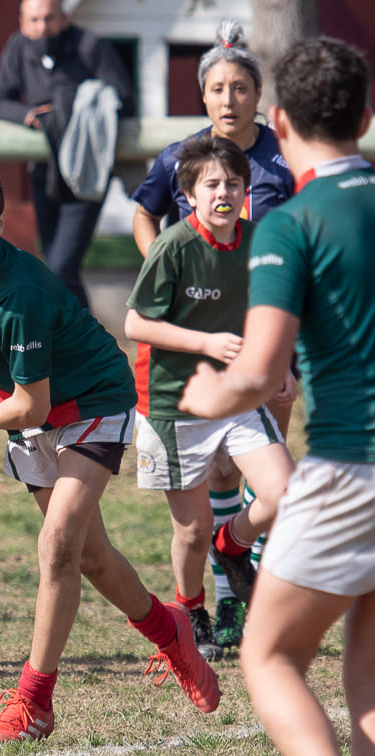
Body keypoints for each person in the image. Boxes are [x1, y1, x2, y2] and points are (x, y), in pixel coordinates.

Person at [0, 156, 219, 744]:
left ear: (0, 223)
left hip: (91, 399)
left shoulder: (19, 293)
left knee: (58, 544)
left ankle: (34, 704)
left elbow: (31, 408)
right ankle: (171, 633)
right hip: (24, 406)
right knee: (90, 556)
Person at [180, 37, 375, 756]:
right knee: (368, 674)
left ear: (281, 120)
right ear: (365, 117)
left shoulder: (292, 223)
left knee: (269, 657)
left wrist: (209, 393)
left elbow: (260, 374)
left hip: (353, 467)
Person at [130, 19, 296, 652]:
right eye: (218, 88)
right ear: (203, 95)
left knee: (270, 482)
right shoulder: (180, 166)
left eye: (241, 87)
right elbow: (144, 216)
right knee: (200, 514)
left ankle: (247, 584)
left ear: (259, 94)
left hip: (262, 338)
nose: (229, 99)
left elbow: (296, 250)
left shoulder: (283, 157)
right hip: (185, 372)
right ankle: (211, 604)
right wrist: (167, 275)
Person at [0, 0, 134, 309]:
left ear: (63, 19)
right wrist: (29, 115)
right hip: (44, 171)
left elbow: (123, 98)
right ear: (23, 23)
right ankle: (83, 336)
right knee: (58, 267)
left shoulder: (89, 45)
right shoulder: (18, 48)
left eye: (49, 18)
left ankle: (84, 337)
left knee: (60, 267)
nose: (42, 26)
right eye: (35, 20)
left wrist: (74, 112)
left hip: (86, 172)